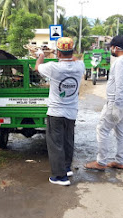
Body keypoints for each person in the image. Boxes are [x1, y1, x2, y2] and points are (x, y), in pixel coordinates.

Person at [35, 37, 85, 186]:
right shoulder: (80, 66)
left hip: (56, 111)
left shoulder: (53, 67)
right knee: (68, 140)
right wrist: (68, 55)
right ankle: (66, 167)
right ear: (73, 51)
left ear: (58, 52)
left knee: (55, 143)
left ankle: (60, 176)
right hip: (71, 111)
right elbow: (74, 59)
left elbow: (37, 67)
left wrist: (41, 56)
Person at [85, 36, 123, 170]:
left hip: (117, 102)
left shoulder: (120, 62)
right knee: (120, 131)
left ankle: (101, 162)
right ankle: (120, 160)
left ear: (116, 48)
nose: (110, 49)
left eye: (111, 47)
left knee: (102, 129)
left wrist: (115, 106)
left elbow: (119, 85)